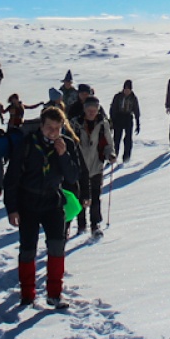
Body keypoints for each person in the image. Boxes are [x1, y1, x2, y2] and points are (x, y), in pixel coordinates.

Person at [3, 107, 81, 310]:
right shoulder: (27, 144)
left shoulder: (67, 145)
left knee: (57, 247)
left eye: (57, 128)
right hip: (28, 201)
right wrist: (12, 208)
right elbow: (11, 177)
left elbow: (73, 177)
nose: (53, 132)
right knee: (27, 249)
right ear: (41, 125)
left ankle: (54, 294)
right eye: (49, 128)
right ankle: (27, 294)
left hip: (53, 202)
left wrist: (63, 155)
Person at [73, 96, 115, 237]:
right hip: (80, 166)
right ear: (84, 109)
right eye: (89, 109)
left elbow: (108, 143)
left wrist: (110, 155)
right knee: (80, 196)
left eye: (94, 109)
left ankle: (95, 224)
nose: (92, 112)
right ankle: (81, 224)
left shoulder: (103, 124)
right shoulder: (75, 124)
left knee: (95, 195)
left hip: (96, 164)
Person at [109, 80, 142, 163]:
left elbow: (136, 110)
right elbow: (113, 108)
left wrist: (138, 123)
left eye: (128, 89)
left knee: (128, 140)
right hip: (118, 118)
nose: (127, 91)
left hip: (128, 118)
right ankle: (113, 157)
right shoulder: (118, 97)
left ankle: (126, 158)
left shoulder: (133, 98)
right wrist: (112, 120)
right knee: (116, 139)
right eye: (125, 89)